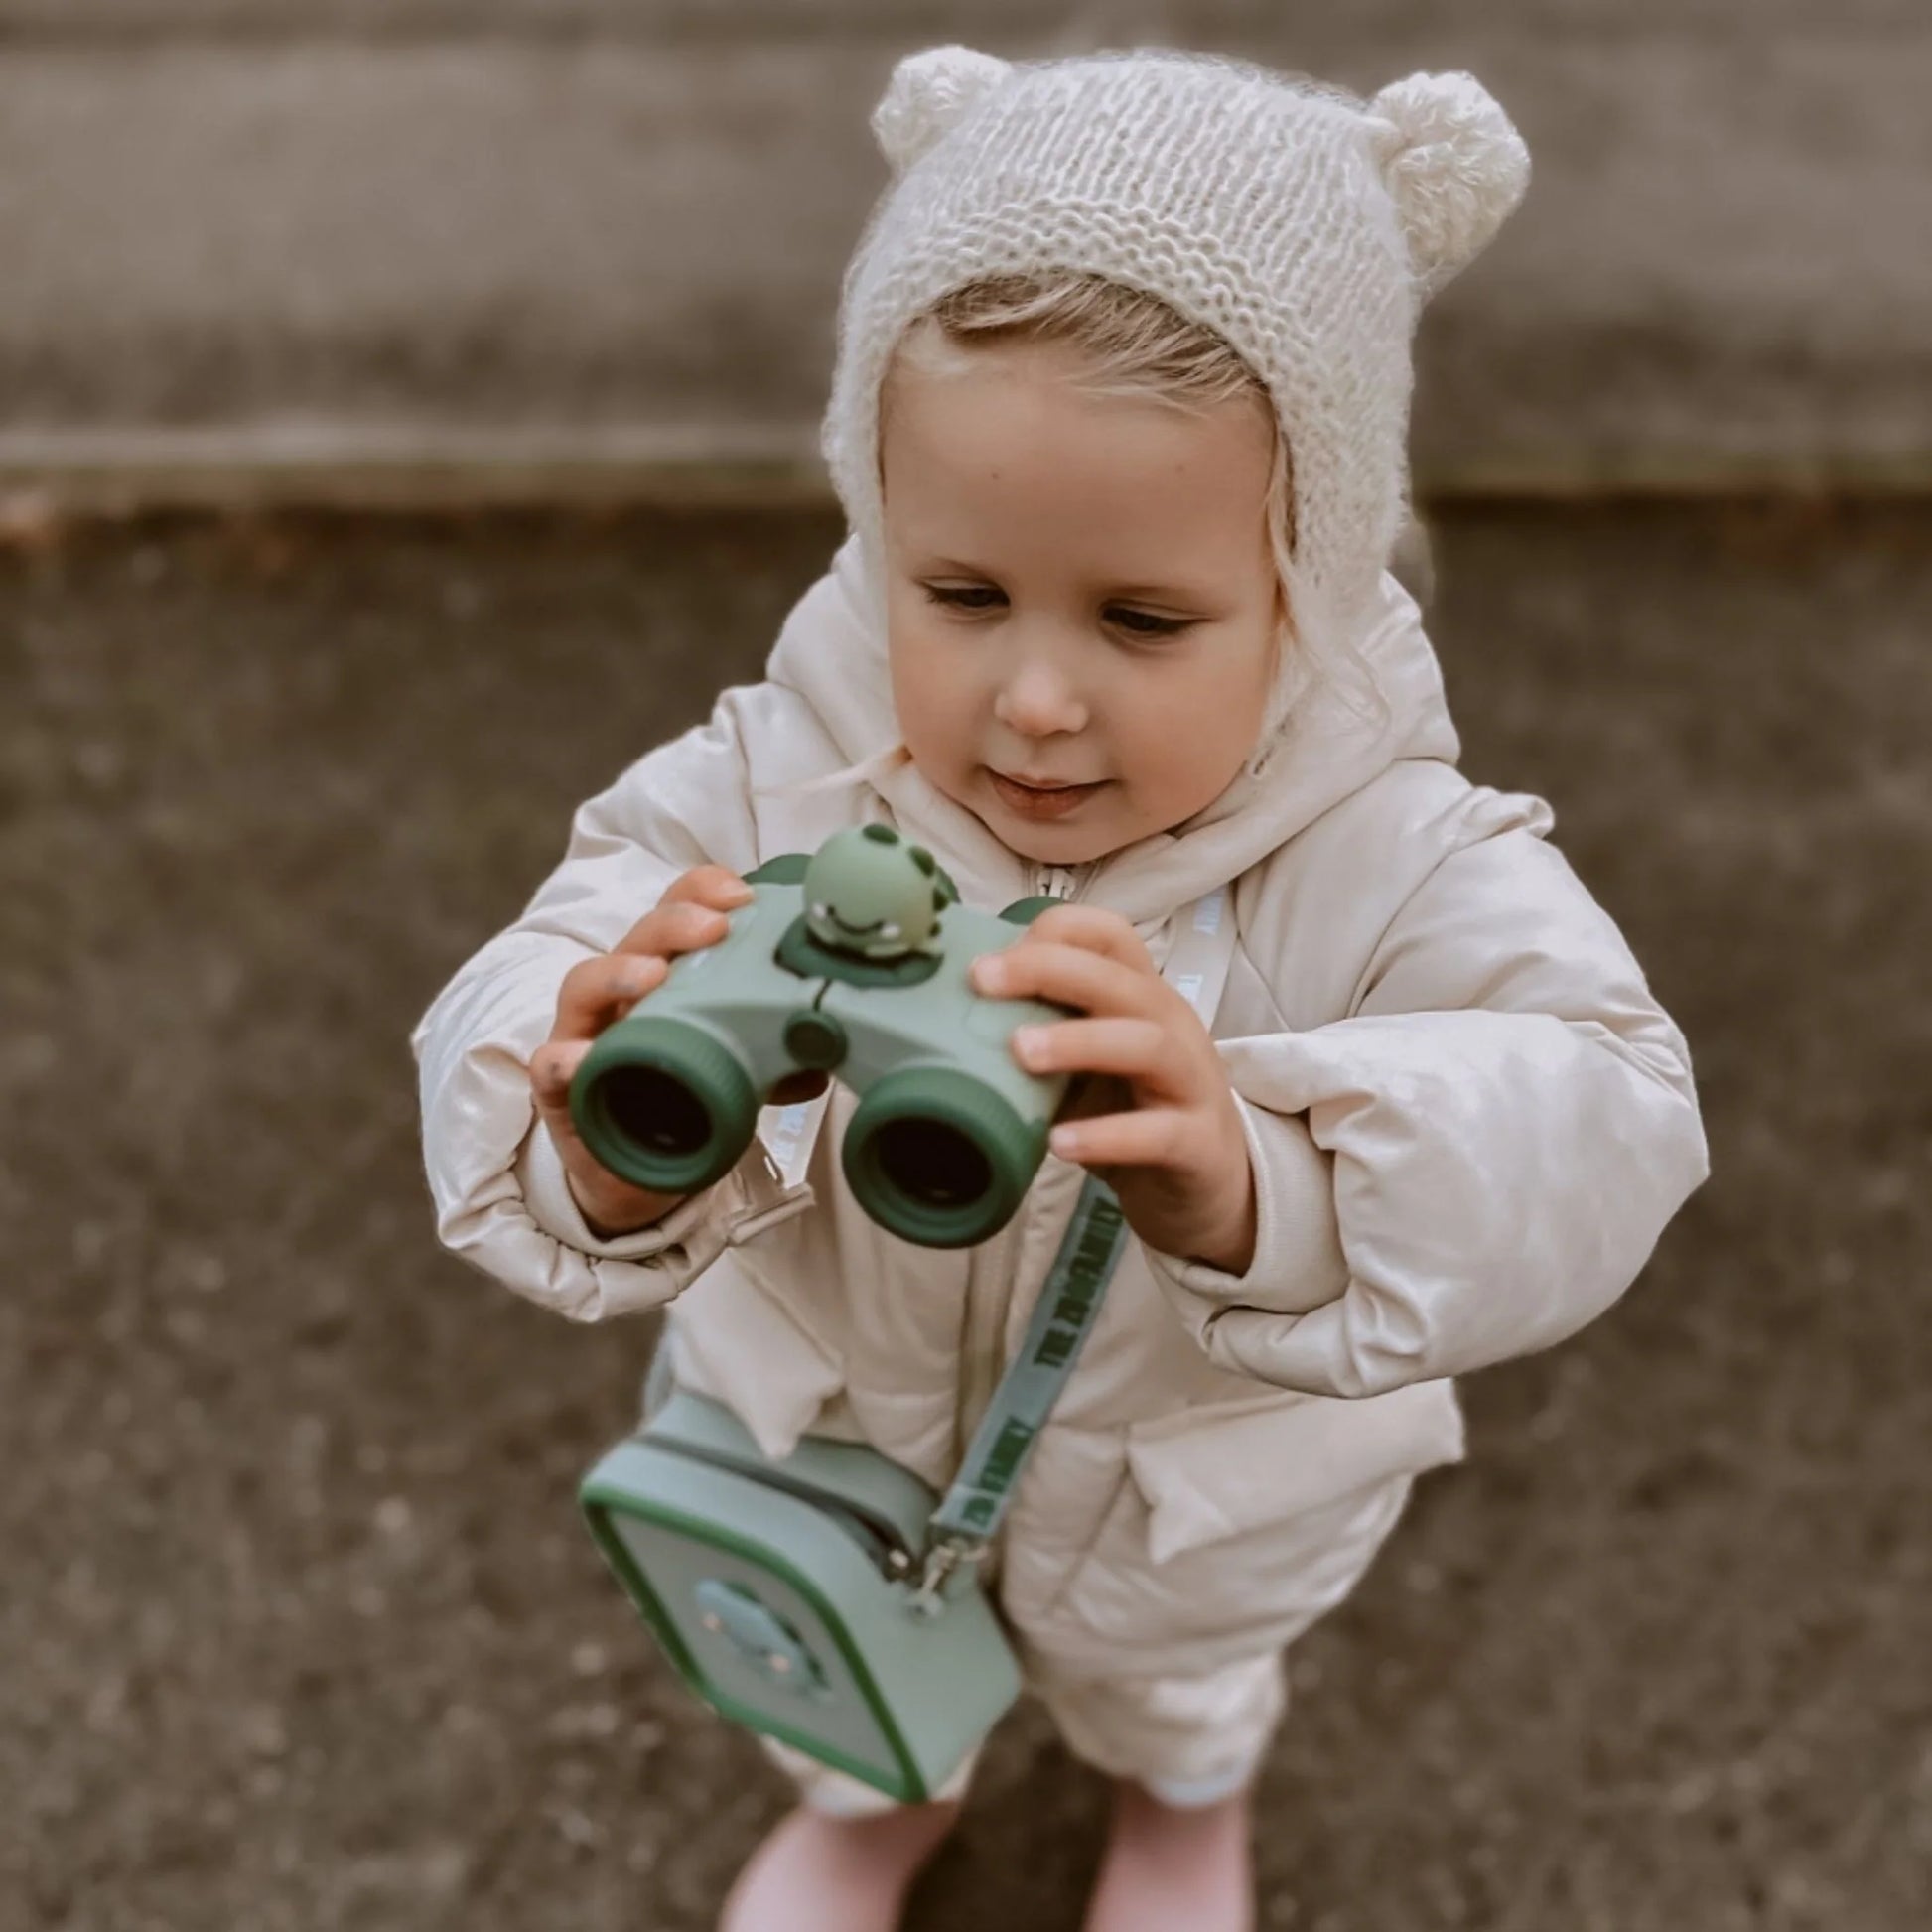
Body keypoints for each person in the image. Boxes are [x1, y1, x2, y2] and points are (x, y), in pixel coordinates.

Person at [411, 44, 1710, 1932]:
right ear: (877, 532)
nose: (1030, 698)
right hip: (835, 1431)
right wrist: (591, 1118)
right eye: (957, 593)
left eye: (1142, 619)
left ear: (1312, 582)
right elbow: (536, 966)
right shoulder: (783, 777)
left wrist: (1270, 1177)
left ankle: (1184, 1810)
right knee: (832, 1648)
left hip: (1188, 1500)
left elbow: (1610, 1104)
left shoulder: (1397, 851)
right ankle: (876, 1791)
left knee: (1172, 1681)